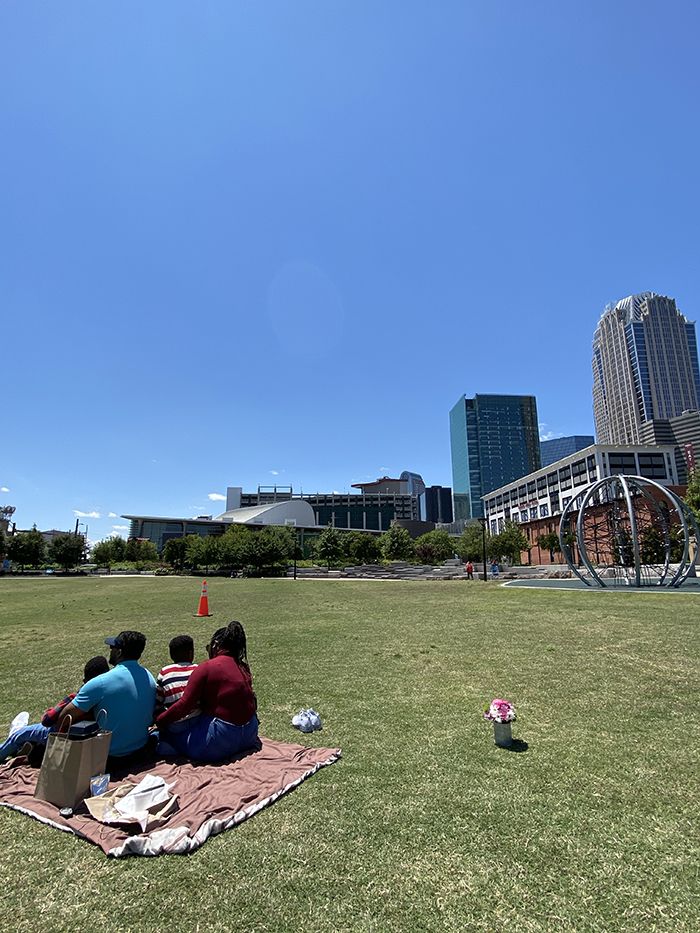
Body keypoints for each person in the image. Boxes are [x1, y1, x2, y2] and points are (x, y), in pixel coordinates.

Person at [156, 620, 259, 762]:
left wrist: (161, 720)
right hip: (250, 734)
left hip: (219, 741)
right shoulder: (242, 667)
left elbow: (185, 705)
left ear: (215, 644)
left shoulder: (206, 668)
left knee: (168, 736)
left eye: (208, 647)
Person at [57, 631, 156, 765]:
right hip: (140, 750)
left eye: (112, 648)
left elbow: (64, 717)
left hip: (108, 757)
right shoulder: (149, 676)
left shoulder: (101, 682)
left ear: (119, 652)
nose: (110, 651)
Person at [0, 656, 109, 763]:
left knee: (20, 734)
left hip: (60, 736)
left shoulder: (76, 698)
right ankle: (23, 748)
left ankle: (13, 738)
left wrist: (47, 712)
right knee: (31, 744)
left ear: (85, 681)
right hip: (90, 740)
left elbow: (47, 720)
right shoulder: (109, 696)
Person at [155, 635, 199, 757]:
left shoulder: (165, 672)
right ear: (191, 653)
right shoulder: (197, 669)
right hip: (198, 721)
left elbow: (158, 702)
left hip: (175, 724)